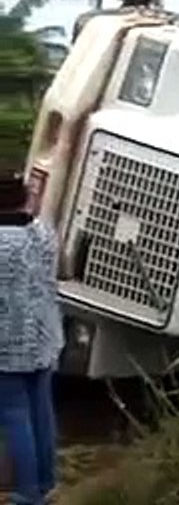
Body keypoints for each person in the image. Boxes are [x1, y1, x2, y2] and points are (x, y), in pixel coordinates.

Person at [0, 173, 63, 505]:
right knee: (42, 413)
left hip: (8, 348)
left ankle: (27, 494)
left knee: (14, 415)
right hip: (45, 338)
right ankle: (47, 482)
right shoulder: (42, 233)